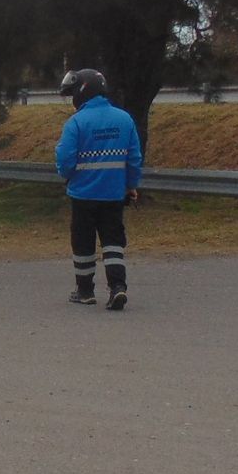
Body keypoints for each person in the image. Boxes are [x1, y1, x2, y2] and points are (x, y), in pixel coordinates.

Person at [55, 69, 142, 310]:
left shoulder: (76, 122)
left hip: (82, 195)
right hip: (114, 194)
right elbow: (134, 158)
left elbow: (65, 160)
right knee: (113, 241)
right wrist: (131, 186)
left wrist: (67, 175)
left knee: (83, 243)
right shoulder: (125, 119)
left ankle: (84, 291)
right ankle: (118, 287)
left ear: (83, 90)